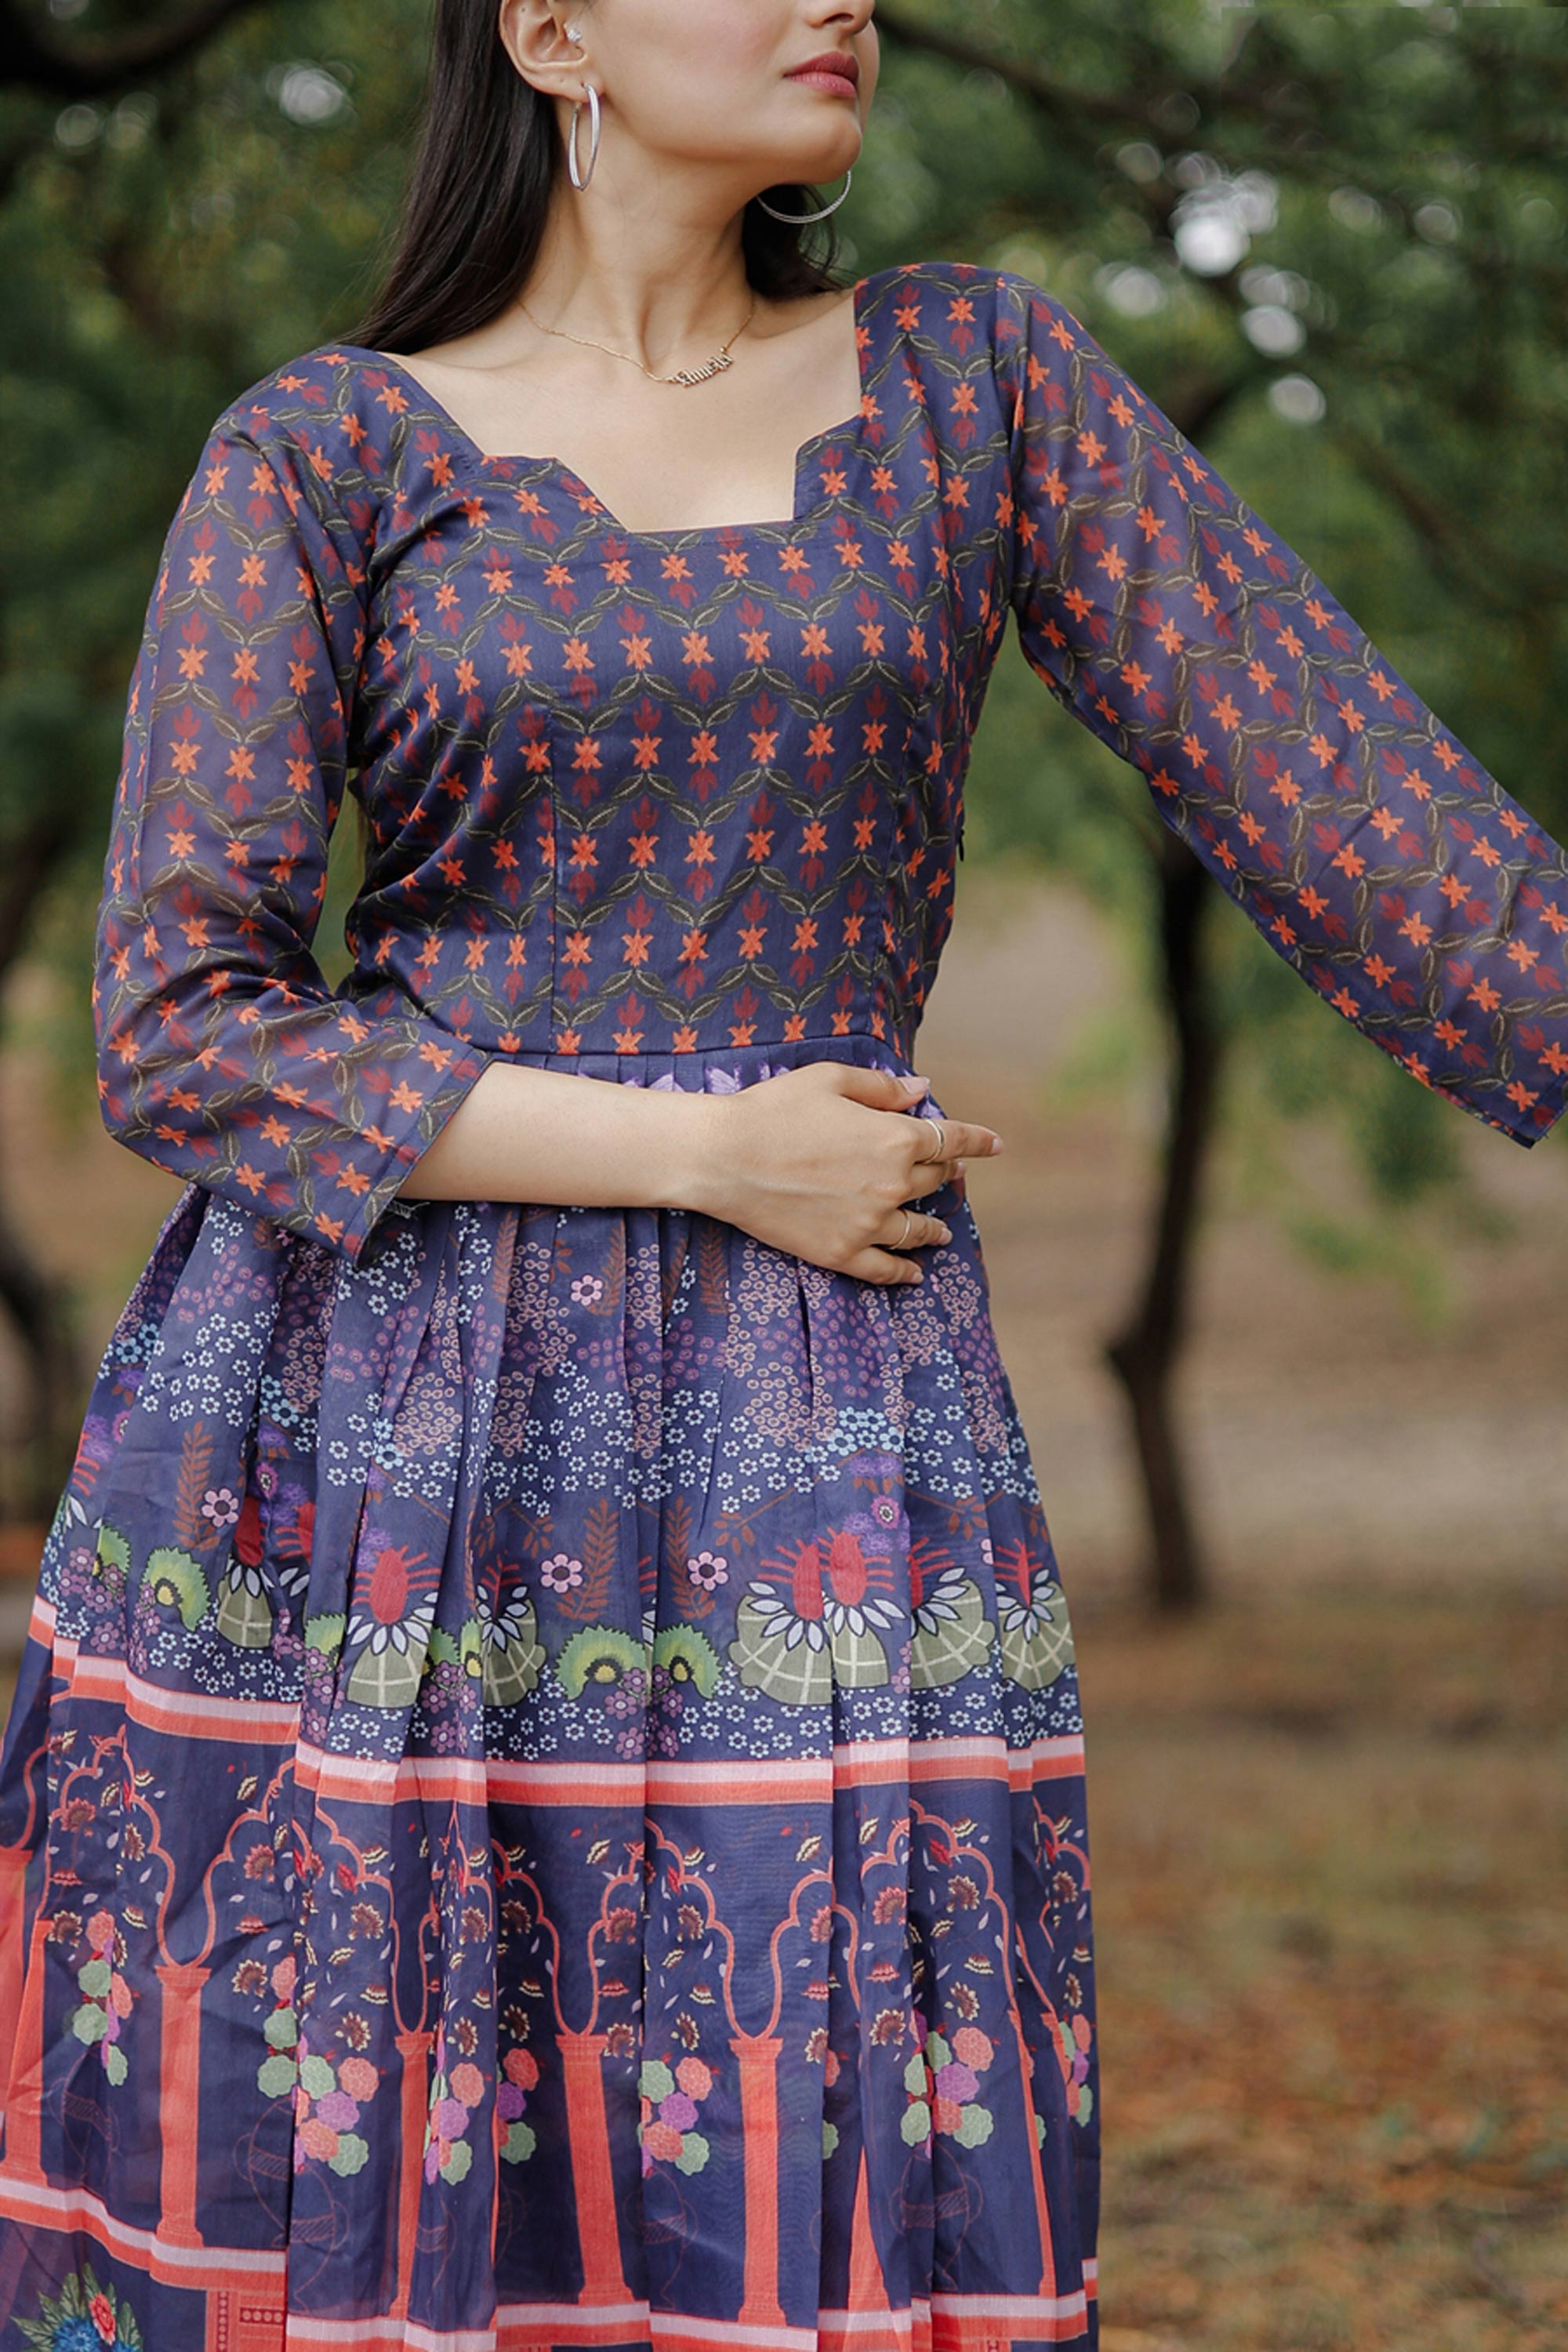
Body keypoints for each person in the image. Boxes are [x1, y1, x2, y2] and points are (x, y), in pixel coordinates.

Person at [0, 2, 1563, 2346]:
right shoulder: (320, 452)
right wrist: (705, 1154)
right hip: (384, 1440)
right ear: (550, 27)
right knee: (378, 2151)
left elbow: (1342, 786)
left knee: (828, 2134)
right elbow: (180, 1021)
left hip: (823, 1416)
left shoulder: (973, 384)